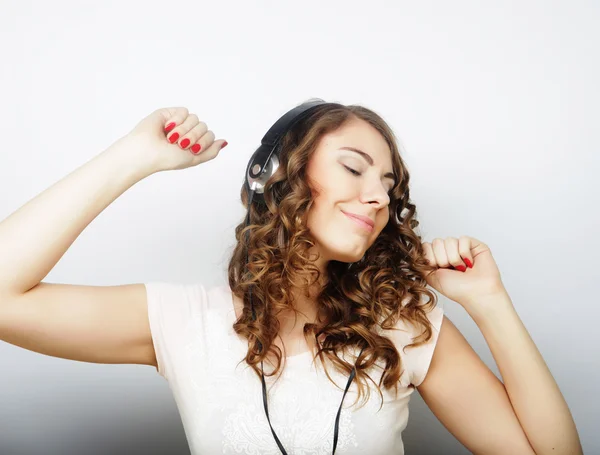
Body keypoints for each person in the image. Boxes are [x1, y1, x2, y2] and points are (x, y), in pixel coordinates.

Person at [0, 103, 582, 455]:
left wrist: (491, 302)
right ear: (276, 177)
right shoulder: (186, 322)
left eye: (388, 184)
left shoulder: (407, 329)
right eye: (353, 167)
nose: (378, 196)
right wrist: (135, 155)